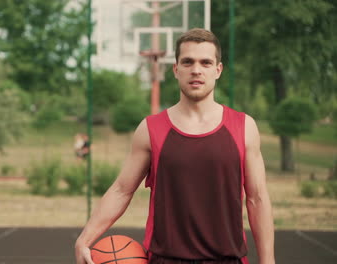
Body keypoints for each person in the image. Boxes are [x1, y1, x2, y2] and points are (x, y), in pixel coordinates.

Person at [74, 28, 275, 264]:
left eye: (206, 62)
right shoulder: (151, 129)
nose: (196, 70)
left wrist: (268, 261)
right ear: (176, 69)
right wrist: (84, 239)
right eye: (188, 62)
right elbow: (122, 190)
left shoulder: (244, 127)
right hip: (166, 259)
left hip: (226, 259)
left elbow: (257, 199)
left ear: (218, 70)